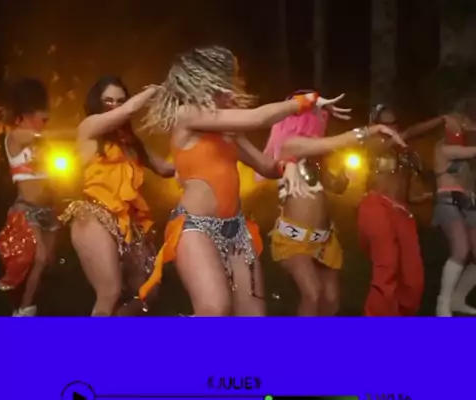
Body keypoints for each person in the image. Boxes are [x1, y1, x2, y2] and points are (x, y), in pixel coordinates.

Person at [138, 46, 349, 316]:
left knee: (253, 316)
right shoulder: (187, 114)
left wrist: (288, 165)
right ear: (210, 78)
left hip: (236, 230)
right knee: (215, 309)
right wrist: (308, 100)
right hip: (195, 227)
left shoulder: (229, 130)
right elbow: (258, 118)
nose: (237, 81)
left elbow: (267, 167)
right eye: (232, 75)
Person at [267, 104, 402, 315]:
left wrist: (345, 176)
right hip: (294, 238)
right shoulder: (290, 146)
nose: (322, 122)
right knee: (312, 293)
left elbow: (335, 186)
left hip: (324, 238)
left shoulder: (317, 160)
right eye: (318, 117)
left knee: (331, 299)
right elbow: (335, 142)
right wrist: (369, 131)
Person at [60, 77, 174, 316]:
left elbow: (165, 168)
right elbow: (129, 110)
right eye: (108, 101)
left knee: (147, 293)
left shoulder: (131, 142)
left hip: (128, 222)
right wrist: (155, 90)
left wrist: (197, 146)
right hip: (93, 216)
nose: (115, 106)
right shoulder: (89, 127)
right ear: (96, 103)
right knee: (109, 292)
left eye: (120, 101)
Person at [0, 79, 72, 316]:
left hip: (48, 210)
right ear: (27, 114)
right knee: (39, 258)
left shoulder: (40, 140)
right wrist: (86, 130)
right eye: (43, 118)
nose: (46, 123)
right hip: (26, 209)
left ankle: (30, 306)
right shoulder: (16, 136)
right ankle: (23, 311)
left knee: (47, 262)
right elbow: (60, 134)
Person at [433, 105, 476, 316]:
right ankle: (443, 303)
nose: (463, 125)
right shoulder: (443, 147)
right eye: (460, 121)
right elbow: (467, 152)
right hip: (448, 200)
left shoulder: (465, 147)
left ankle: (458, 298)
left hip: (467, 203)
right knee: (460, 249)